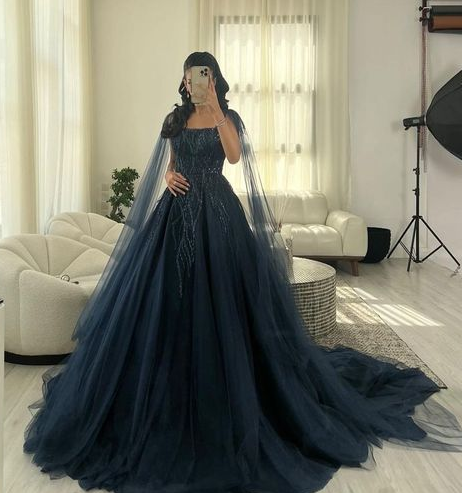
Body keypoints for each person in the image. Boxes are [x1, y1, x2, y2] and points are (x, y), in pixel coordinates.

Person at [23, 51, 462, 493]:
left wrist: (215, 108)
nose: (195, 81)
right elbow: (171, 165)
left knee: (225, 302)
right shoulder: (174, 120)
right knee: (167, 300)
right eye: (190, 75)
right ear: (183, 80)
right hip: (175, 215)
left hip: (218, 216)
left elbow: (233, 158)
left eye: (203, 74)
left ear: (214, 78)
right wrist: (170, 178)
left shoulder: (228, 117)